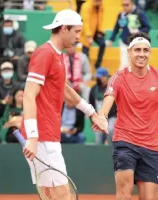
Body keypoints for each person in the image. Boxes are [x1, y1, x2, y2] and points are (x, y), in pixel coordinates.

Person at [19, 9, 108, 197]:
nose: (79, 37)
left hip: (48, 135)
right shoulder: (45, 53)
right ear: (64, 29)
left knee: (54, 196)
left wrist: (92, 113)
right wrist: (33, 137)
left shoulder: (58, 55)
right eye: (76, 32)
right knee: (63, 196)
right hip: (42, 137)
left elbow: (65, 90)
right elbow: (28, 95)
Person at [95, 32, 158, 200]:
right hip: (125, 142)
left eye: (146, 50)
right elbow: (108, 101)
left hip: (150, 147)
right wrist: (102, 116)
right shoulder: (118, 77)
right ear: (129, 52)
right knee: (124, 193)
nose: (142, 54)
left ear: (150, 53)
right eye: (137, 50)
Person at [107, 0, 150, 70]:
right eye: (123, 5)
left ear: (132, 4)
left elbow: (147, 27)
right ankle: (120, 80)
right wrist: (111, 39)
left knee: (137, 65)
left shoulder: (139, 13)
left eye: (127, 5)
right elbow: (116, 28)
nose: (125, 7)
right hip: (124, 42)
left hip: (137, 44)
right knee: (124, 64)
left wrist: (138, 31)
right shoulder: (121, 15)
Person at [89, 67, 117, 144]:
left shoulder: (111, 88)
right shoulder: (93, 89)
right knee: (98, 138)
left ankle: (112, 150)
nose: (98, 78)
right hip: (98, 117)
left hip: (111, 116)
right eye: (97, 77)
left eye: (100, 77)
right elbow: (91, 104)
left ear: (105, 77)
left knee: (110, 130)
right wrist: (92, 119)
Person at [80, 0, 106, 69]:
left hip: (96, 31)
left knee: (103, 44)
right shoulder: (86, 6)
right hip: (86, 32)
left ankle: (97, 65)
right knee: (85, 52)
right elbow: (85, 22)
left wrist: (100, 31)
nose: (100, 1)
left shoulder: (100, 5)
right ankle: (85, 69)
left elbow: (101, 19)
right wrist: (88, 36)